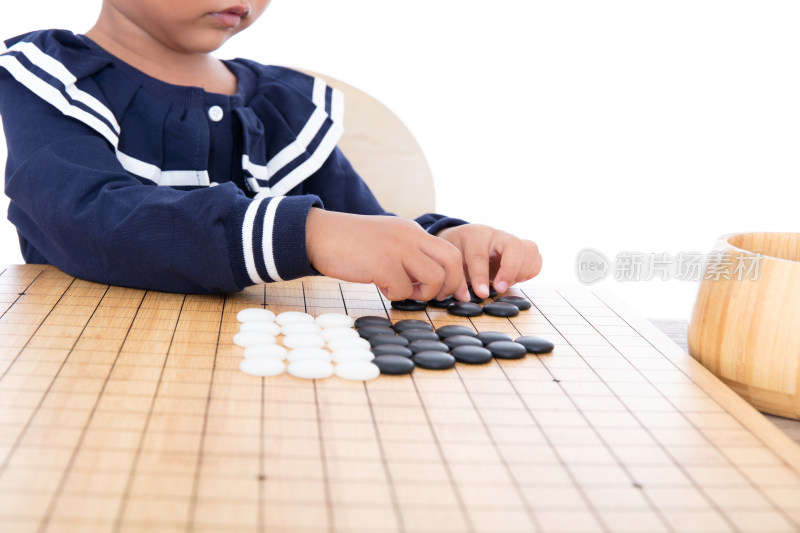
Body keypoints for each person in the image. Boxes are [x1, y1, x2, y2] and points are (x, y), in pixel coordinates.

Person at [0, 0, 542, 301]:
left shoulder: (286, 106)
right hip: (86, 365)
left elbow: (367, 227)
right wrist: (307, 233)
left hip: (260, 392)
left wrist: (445, 244)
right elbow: (87, 216)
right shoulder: (52, 75)